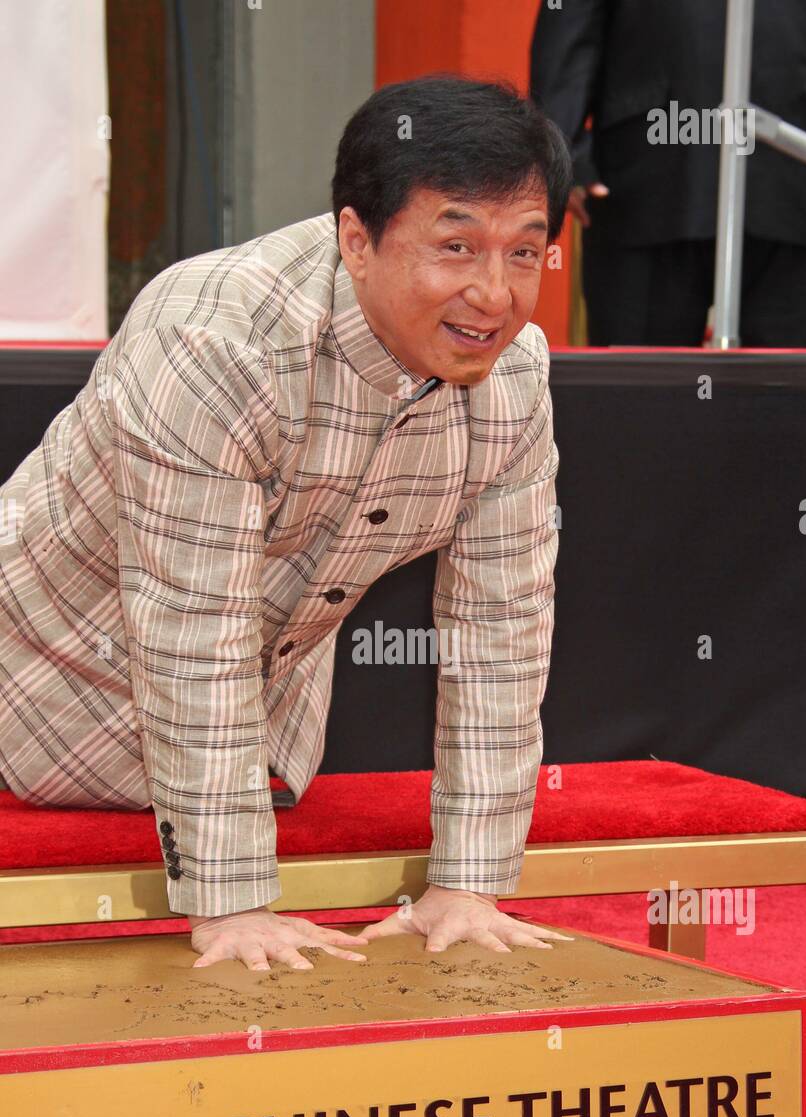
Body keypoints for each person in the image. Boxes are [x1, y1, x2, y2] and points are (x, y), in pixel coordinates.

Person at [0, 76, 574, 972]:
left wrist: (469, 881)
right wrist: (232, 902)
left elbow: (502, 628)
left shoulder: (515, 379)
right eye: (455, 246)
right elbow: (194, 628)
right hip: (34, 690)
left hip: (256, 744)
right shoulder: (213, 340)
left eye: (523, 254)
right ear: (356, 236)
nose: (493, 295)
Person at [530, 0, 806, 345]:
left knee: (788, 387)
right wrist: (560, 151)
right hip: (644, 176)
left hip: (795, 175)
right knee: (641, 382)